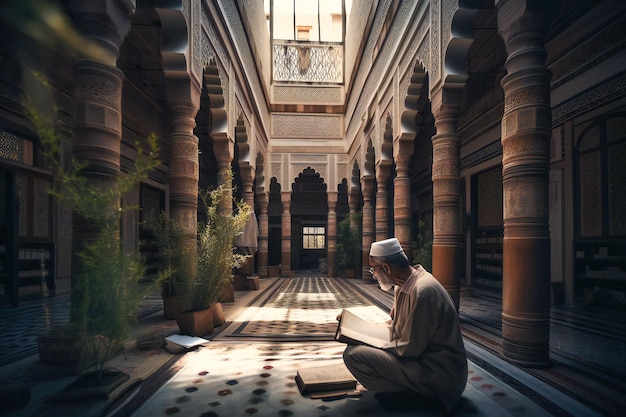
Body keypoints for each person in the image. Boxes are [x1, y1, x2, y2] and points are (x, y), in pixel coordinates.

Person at [340, 237, 467, 413]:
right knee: (355, 348)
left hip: (439, 372)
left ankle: (423, 396)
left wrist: (368, 342)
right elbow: (395, 326)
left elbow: (410, 349)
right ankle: (406, 392)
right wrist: (354, 329)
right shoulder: (403, 286)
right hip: (421, 361)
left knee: (354, 355)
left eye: (373, 269)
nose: (373, 274)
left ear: (386, 268)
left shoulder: (423, 291)